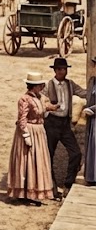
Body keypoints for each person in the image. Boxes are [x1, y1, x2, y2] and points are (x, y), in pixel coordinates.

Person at [8, 72, 57, 205]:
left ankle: (35, 191)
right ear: (33, 86)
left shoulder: (40, 97)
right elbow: (22, 118)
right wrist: (25, 135)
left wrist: (55, 107)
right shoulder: (24, 99)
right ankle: (24, 192)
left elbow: (44, 107)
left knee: (38, 160)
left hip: (39, 131)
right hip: (29, 130)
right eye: (40, 85)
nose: (42, 87)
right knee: (27, 160)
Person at [43, 57, 86, 197]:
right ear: (55, 71)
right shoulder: (47, 86)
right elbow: (39, 101)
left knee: (76, 153)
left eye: (65, 69)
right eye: (61, 69)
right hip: (52, 123)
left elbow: (83, 93)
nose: (63, 71)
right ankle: (51, 185)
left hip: (65, 124)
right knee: (48, 155)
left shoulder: (70, 84)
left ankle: (68, 184)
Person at [83, 57, 96, 185]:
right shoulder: (93, 81)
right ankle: (92, 176)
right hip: (93, 121)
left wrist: (92, 109)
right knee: (93, 147)